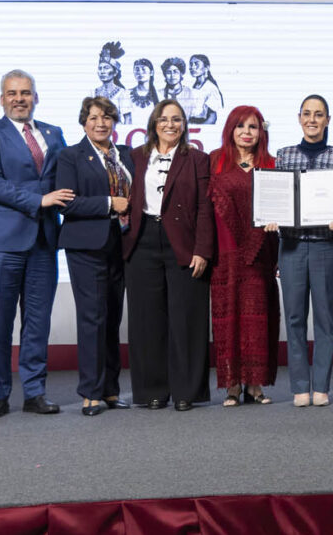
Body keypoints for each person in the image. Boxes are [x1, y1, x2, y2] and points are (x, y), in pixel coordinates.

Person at [0, 69, 72, 419]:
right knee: (0, 324)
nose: (20, 98)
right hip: (2, 242)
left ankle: (35, 392)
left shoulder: (53, 132)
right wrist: (42, 200)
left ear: (36, 97)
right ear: (2, 98)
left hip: (44, 242)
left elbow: (68, 176)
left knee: (37, 322)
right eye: (12, 93)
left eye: (26, 93)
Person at [121, 100, 214, 412]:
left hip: (184, 242)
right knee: (147, 319)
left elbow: (204, 208)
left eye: (177, 119)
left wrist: (202, 249)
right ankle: (152, 392)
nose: (170, 125)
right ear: (153, 123)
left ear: (185, 125)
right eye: (164, 119)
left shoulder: (198, 159)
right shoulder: (134, 157)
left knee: (187, 317)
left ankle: (186, 391)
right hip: (143, 239)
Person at [56, 97, 134, 416]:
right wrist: (108, 203)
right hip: (86, 247)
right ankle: (90, 391)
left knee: (113, 318)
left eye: (107, 117)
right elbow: (67, 203)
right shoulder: (70, 156)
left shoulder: (126, 155)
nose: (101, 123)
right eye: (94, 117)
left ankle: (111, 390)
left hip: (122, 245)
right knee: (92, 318)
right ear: (83, 122)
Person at [275, 95, 333, 407]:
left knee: (323, 319)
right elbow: (276, 198)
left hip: (326, 247)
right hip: (291, 246)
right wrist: (271, 218)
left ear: (328, 120)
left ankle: (321, 385)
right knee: (293, 318)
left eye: (319, 115)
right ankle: (299, 387)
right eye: (307, 114)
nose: (312, 120)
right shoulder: (284, 155)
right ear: (299, 118)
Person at [208, 106, 280, 407]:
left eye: (252, 127)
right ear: (230, 130)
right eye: (240, 127)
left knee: (257, 319)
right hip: (224, 253)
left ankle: (255, 385)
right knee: (228, 320)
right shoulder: (215, 161)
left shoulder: (272, 164)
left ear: (261, 132)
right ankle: (232, 386)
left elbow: (282, 206)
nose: (246, 132)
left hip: (261, 253)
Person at [92, 41, 133, 125]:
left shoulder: (123, 93)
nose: (102, 71)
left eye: (106, 68)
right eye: (100, 68)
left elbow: (128, 119)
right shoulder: (93, 93)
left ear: (115, 72)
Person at [187, 54, 224, 125]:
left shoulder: (210, 88)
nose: (193, 67)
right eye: (191, 64)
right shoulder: (192, 87)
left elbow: (212, 118)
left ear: (206, 68)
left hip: (202, 126)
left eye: (196, 64)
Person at [130, 59, 160, 129]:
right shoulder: (126, 94)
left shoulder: (160, 96)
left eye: (143, 69)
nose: (140, 72)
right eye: (137, 70)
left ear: (151, 72)